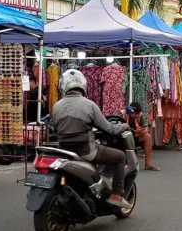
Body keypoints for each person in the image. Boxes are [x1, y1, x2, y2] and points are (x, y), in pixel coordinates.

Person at [52, 69, 132, 209]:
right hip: (87, 152)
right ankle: (117, 195)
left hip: (64, 151)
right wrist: (124, 126)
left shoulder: (56, 106)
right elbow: (110, 129)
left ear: (63, 86)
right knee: (120, 157)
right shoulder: (90, 105)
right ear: (83, 85)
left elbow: (55, 128)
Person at [124, 102, 160, 171]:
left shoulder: (139, 115)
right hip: (125, 136)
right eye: (135, 114)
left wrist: (142, 131)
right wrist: (134, 131)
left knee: (147, 136)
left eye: (137, 114)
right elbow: (121, 129)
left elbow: (144, 127)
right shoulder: (123, 115)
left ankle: (148, 164)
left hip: (135, 136)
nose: (137, 116)